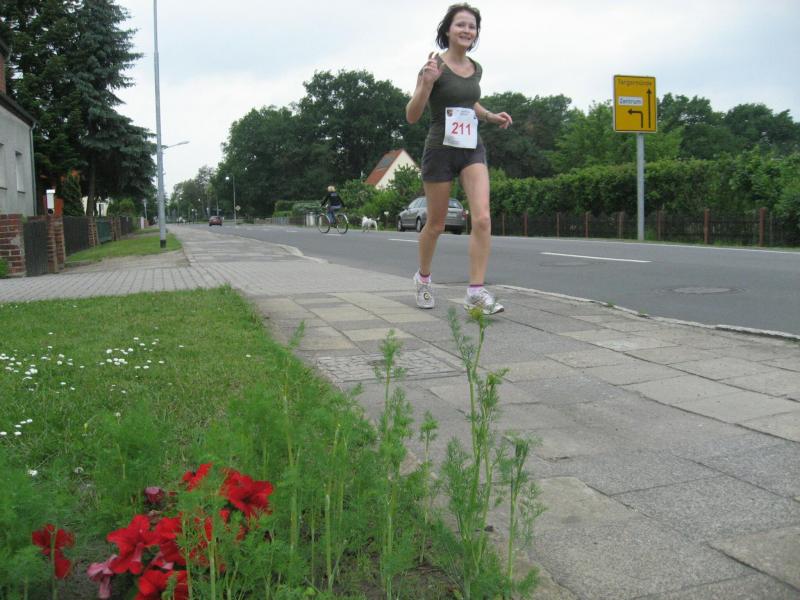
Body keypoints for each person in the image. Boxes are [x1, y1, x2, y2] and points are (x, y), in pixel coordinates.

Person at [406, 3, 512, 315]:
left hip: (471, 148)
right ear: (448, 30)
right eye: (461, 25)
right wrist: (426, 84)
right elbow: (412, 115)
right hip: (439, 150)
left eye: (472, 26)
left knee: (482, 218)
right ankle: (423, 279)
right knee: (436, 224)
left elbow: (468, 101)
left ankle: (475, 293)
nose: (467, 30)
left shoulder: (476, 68)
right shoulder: (432, 67)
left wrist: (490, 116)